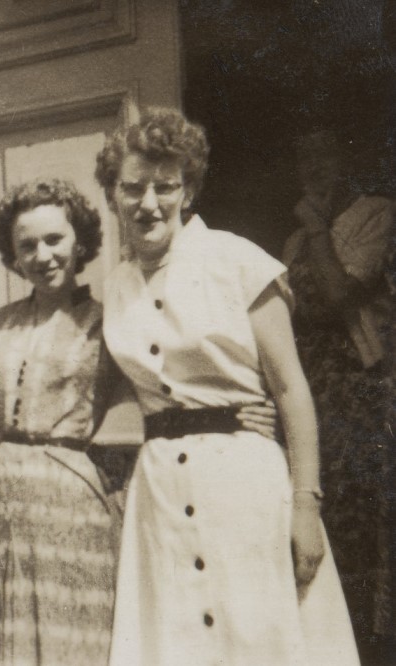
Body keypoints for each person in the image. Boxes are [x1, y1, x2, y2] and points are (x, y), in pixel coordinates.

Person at [96, 107, 358, 665]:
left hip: (243, 483)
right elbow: (126, 398)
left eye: (165, 187)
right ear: (113, 195)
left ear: (188, 190)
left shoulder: (239, 262)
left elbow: (290, 390)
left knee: (255, 637)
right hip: (160, 493)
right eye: (133, 188)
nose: (149, 203)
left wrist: (306, 506)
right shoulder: (116, 286)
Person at [0, 179, 124, 665]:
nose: (43, 255)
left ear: (80, 241)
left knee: (70, 636)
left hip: (70, 495)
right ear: (12, 255)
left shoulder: (107, 319)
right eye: (27, 245)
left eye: (54, 240)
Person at [283, 130, 396, 662]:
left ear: (347, 156)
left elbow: (337, 296)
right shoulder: (294, 242)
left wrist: (316, 228)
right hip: (312, 391)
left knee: (360, 521)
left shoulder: (377, 215)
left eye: (324, 152)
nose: (314, 166)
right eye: (305, 156)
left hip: (358, 388)